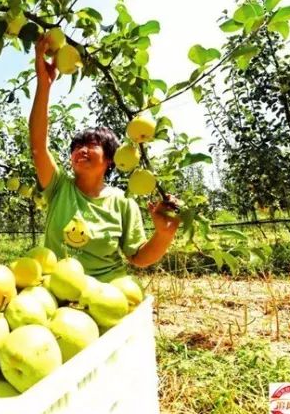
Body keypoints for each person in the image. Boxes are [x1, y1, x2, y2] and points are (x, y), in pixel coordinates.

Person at [29, 36, 181, 283]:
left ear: (111, 159)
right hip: (57, 290)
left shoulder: (123, 202)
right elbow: (38, 146)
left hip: (106, 292)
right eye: (76, 146)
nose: (81, 150)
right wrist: (44, 84)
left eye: (91, 145)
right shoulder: (59, 188)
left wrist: (163, 235)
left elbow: (138, 257)